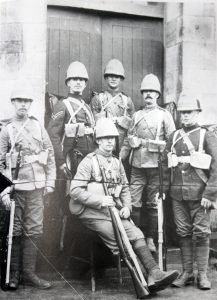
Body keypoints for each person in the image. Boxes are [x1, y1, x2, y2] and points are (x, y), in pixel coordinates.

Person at [70, 117, 178, 294]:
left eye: (112, 138)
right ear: (97, 140)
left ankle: (154, 273)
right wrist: (99, 200)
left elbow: (125, 188)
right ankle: (142, 281)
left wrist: (127, 206)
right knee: (120, 239)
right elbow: (75, 190)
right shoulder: (89, 162)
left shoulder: (117, 162)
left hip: (113, 210)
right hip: (91, 212)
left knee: (136, 233)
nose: (109, 142)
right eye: (105, 138)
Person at [0, 81, 56, 290]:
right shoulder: (7, 131)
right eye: (19, 101)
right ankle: (14, 274)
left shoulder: (39, 128)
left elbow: (49, 157)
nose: (23, 105)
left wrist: (50, 183)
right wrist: (4, 191)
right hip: (15, 188)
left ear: (30, 104)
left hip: (37, 187)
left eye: (26, 101)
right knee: (14, 230)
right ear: (13, 103)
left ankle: (29, 273)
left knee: (34, 229)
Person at [164, 93, 217, 290]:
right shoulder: (174, 136)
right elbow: (164, 163)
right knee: (183, 232)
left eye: (189, 112)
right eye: (182, 113)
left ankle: (202, 274)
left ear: (197, 113)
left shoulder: (206, 135)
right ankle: (187, 272)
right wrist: (163, 189)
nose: (185, 116)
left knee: (202, 233)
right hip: (177, 195)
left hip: (200, 195)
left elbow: (216, 167)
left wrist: (210, 195)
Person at [120, 74, 176, 252]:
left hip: (157, 166)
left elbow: (173, 142)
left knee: (153, 204)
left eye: (152, 91)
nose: (149, 95)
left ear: (158, 95)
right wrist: (119, 159)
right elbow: (127, 140)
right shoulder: (136, 115)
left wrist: (160, 149)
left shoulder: (164, 116)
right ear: (142, 95)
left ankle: (151, 239)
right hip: (137, 166)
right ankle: (137, 238)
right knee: (134, 202)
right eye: (145, 92)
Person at [47, 61, 96, 177]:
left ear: (85, 84)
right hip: (70, 161)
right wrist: (61, 162)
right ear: (68, 82)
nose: (78, 82)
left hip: (87, 161)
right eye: (74, 79)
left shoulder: (87, 107)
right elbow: (52, 135)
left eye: (82, 79)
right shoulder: (62, 105)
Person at [90, 59, 135, 150]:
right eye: (110, 76)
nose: (113, 79)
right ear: (106, 77)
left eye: (117, 76)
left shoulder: (127, 101)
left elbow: (133, 126)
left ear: (121, 78)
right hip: (103, 143)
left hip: (123, 145)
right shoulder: (98, 99)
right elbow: (93, 125)